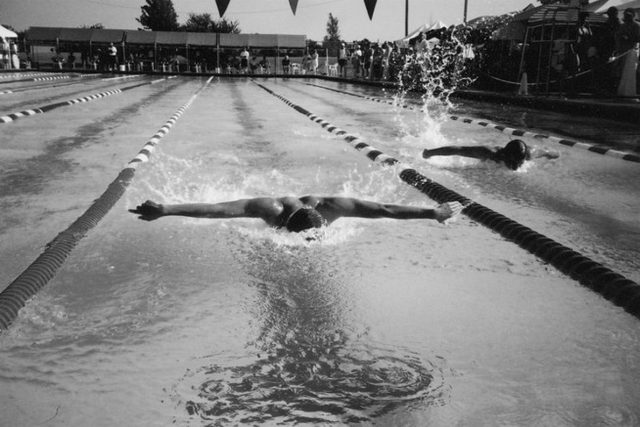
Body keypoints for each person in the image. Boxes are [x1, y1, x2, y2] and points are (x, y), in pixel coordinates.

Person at [129, 196, 464, 234]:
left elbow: (383, 210)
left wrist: (431, 212)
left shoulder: (333, 209)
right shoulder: (269, 210)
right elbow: (219, 210)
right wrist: (167, 210)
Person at [422, 139, 558, 171]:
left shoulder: (529, 154)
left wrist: (555, 154)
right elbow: (459, 149)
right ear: (505, 155)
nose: (517, 167)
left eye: (520, 163)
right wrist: (430, 153)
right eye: (514, 163)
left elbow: (547, 152)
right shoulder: (490, 153)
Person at [615, 8, 640, 98]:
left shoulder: (637, 26)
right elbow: (617, 37)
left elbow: (638, 39)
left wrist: (629, 38)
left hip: (632, 51)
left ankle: (632, 91)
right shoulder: (622, 26)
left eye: (629, 15)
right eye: (626, 15)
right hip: (622, 51)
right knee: (621, 71)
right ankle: (622, 91)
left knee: (632, 71)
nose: (627, 17)